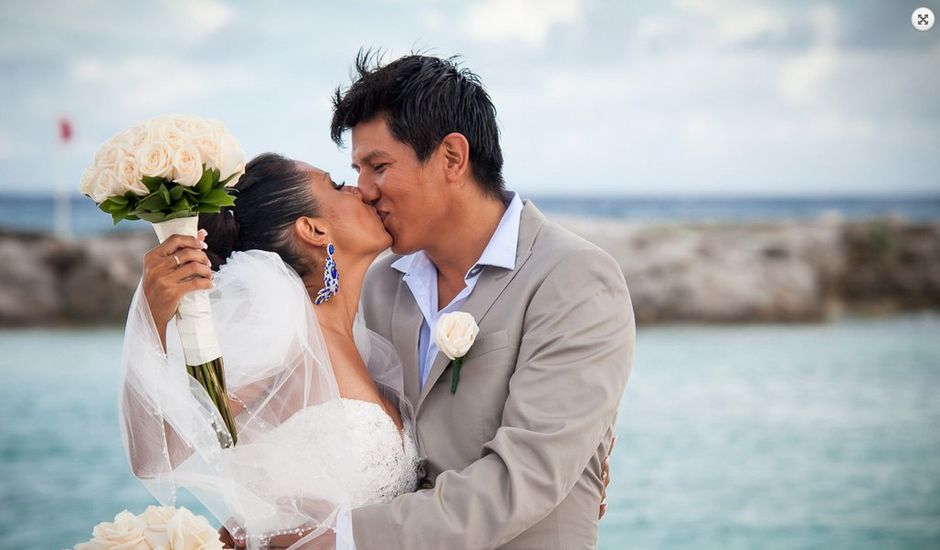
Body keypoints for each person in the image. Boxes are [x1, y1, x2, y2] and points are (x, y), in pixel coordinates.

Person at [330, 52, 635, 549]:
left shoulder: (575, 278)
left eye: (378, 166)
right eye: (357, 170)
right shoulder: (382, 283)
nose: (364, 191)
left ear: (452, 157)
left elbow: (526, 477)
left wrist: (342, 536)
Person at [128, 153, 419, 549]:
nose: (360, 189)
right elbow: (155, 456)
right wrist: (152, 318)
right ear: (312, 229)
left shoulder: (367, 334)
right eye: (335, 185)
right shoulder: (278, 327)